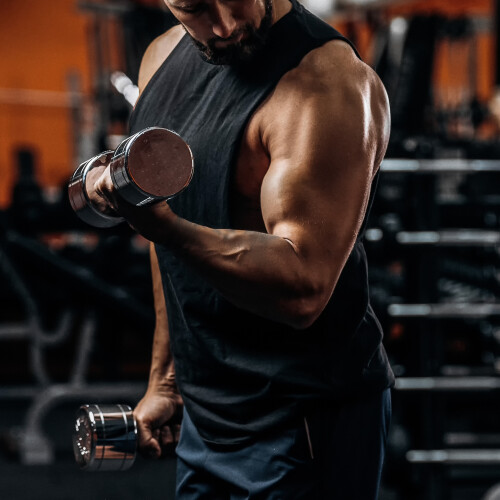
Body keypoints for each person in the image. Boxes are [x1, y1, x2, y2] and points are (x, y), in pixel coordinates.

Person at [91, 0, 395, 497]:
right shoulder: (160, 58)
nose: (226, 25)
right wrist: (166, 381)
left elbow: (303, 289)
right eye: (193, 7)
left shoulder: (326, 83)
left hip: (302, 416)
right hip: (207, 414)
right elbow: (165, 240)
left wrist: (166, 228)